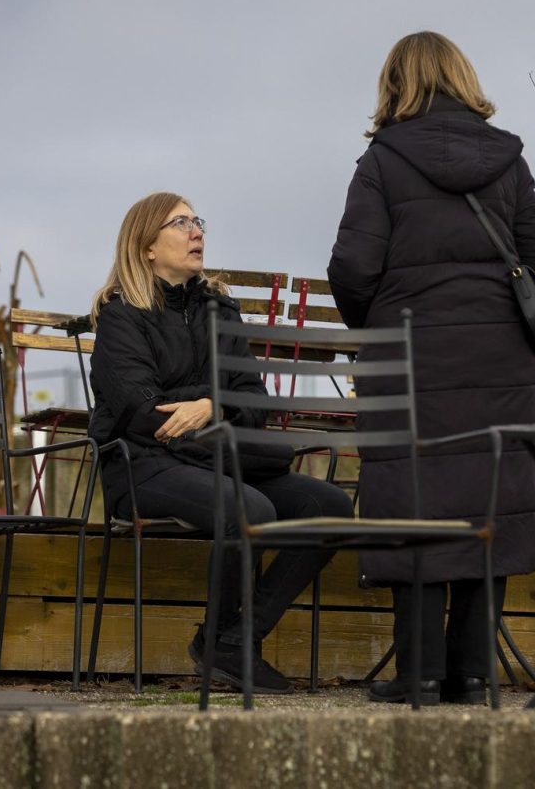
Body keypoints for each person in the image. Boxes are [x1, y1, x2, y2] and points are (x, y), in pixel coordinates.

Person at [328, 31, 535, 705]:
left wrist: (380, 321)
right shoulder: (508, 159)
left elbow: (353, 268)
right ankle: (474, 673)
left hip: (409, 361)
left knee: (415, 499)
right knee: (494, 500)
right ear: (462, 78)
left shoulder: (381, 161)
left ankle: (421, 673)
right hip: (501, 359)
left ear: (396, 85)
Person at [88, 191, 353, 694]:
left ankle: (232, 640)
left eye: (198, 222)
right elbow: (146, 415)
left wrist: (209, 406)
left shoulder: (219, 310)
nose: (197, 232)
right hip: (143, 466)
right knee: (247, 508)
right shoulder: (122, 316)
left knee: (330, 506)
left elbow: (255, 402)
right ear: (146, 246)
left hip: (217, 457)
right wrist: (215, 404)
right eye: (180, 223)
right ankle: (225, 644)